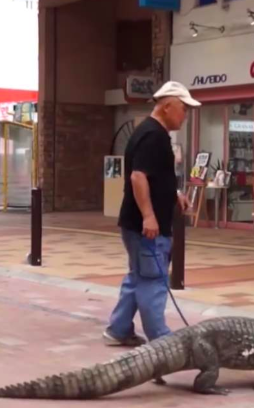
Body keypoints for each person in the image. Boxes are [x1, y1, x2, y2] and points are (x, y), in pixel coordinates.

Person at [103, 81, 199, 347]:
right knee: (153, 280)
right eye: (184, 109)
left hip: (137, 222)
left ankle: (118, 329)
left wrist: (173, 195)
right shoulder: (153, 135)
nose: (186, 115)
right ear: (168, 107)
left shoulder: (149, 132)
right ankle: (161, 341)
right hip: (145, 226)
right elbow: (138, 176)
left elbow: (153, 176)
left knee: (139, 275)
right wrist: (149, 215)